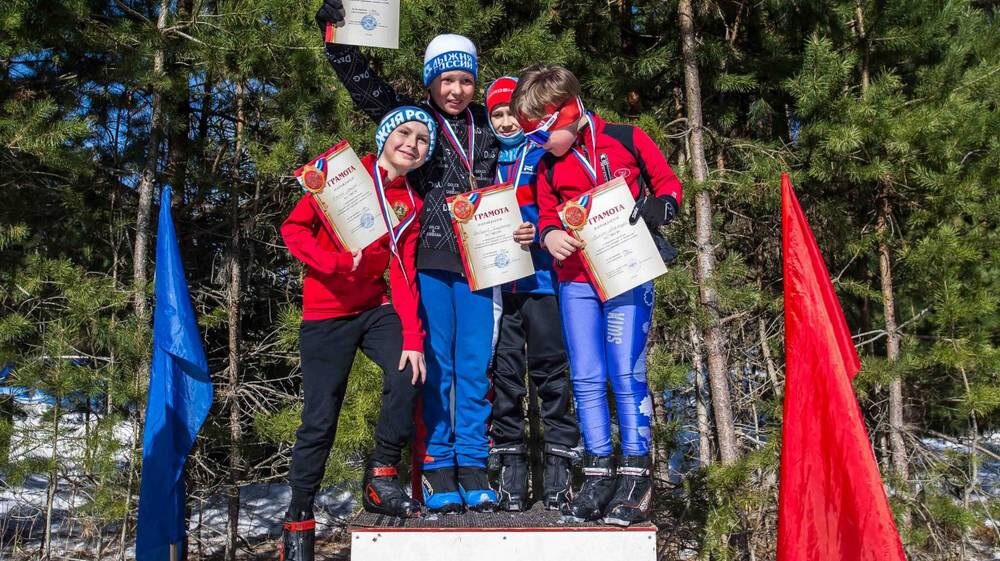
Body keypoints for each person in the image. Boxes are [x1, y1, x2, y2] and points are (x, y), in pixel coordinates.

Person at [314, 0, 533, 513]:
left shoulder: (489, 125)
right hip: (430, 259)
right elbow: (364, 86)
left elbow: (534, 150)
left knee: (476, 366)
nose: (456, 90)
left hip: (485, 260)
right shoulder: (416, 120)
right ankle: (435, 465)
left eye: (466, 81)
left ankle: (473, 462)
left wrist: (528, 224)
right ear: (431, 81)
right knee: (436, 365)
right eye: (447, 80)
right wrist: (335, 32)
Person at [510, 64, 683, 526]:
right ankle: (598, 472)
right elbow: (546, 214)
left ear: (567, 112)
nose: (536, 143)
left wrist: (660, 207)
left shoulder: (626, 138)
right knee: (586, 376)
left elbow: (669, 185)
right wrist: (549, 236)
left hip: (627, 271)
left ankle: (636, 474)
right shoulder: (547, 166)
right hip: (577, 280)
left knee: (625, 371)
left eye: (540, 132)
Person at [280, 107, 434, 561]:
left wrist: (412, 337)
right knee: (320, 419)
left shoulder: (412, 203)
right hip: (326, 313)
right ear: (385, 136)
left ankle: (381, 477)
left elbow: (403, 273)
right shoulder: (343, 173)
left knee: (408, 369)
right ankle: (298, 518)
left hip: (373, 308)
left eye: (422, 139)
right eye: (404, 133)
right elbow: (293, 229)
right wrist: (333, 262)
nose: (412, 143)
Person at [484, 76, 579, 512]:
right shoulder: (483, 159)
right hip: (499, 288)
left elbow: (562, 203)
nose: (506, 122)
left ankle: (560, 467)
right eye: (497, 115)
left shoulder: (543, 152)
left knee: (550, 373)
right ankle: (511, 466)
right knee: (505, 377)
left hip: (542, 281)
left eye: (512, 114)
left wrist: (539, 229)